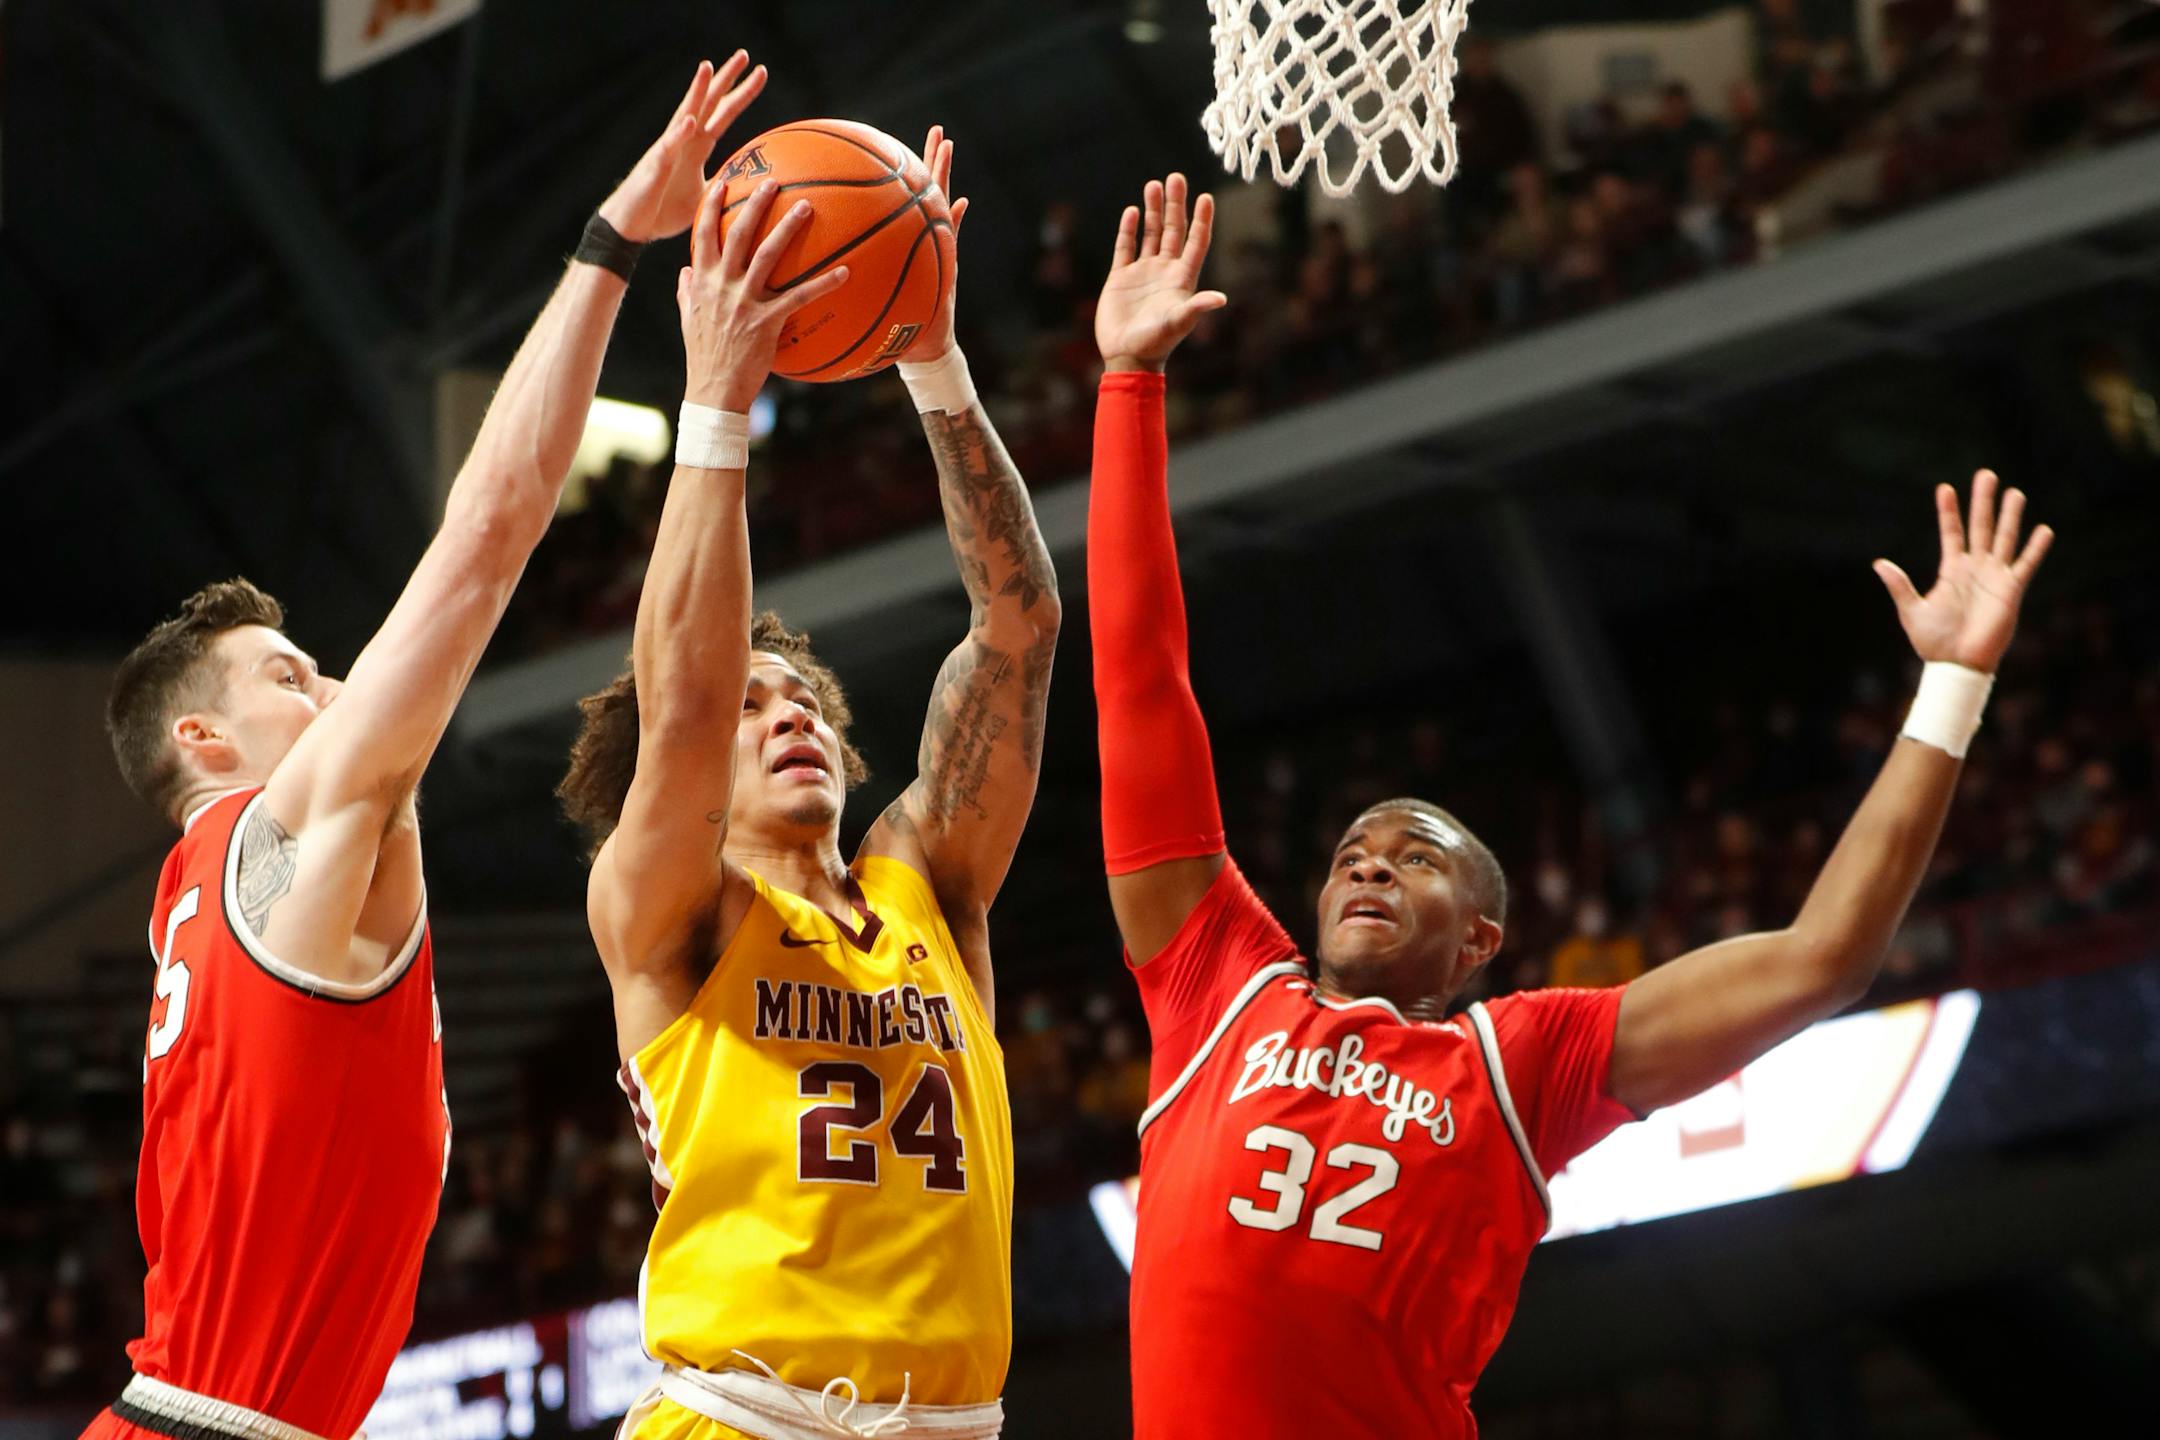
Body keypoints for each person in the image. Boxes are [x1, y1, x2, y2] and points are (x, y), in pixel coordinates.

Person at [1086, 173, 2055, 1438]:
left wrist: (1953, 688)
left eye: (1415, 858)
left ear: (1482, 938)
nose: (1370, 866)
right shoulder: (1217, 984)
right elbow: (1140, 681)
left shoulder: (1520, 1060)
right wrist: (1128, 385)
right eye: (1351, 854)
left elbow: (1821, 961)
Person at [80, 55, 770, 1440]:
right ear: (204, 739)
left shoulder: (189, 907)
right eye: (291, 674)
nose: (334, 690)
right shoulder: (288, 828)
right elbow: (490, 532)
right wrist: (611, 244)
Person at [557, 129, 1055, 1440]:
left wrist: (933, 360)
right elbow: (685, 702)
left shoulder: (926, 885)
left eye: (809, 709)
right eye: (753, 709)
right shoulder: (670, 910)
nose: (787, 722)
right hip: (742, 1418)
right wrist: (715, 398)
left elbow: (1017, 629)